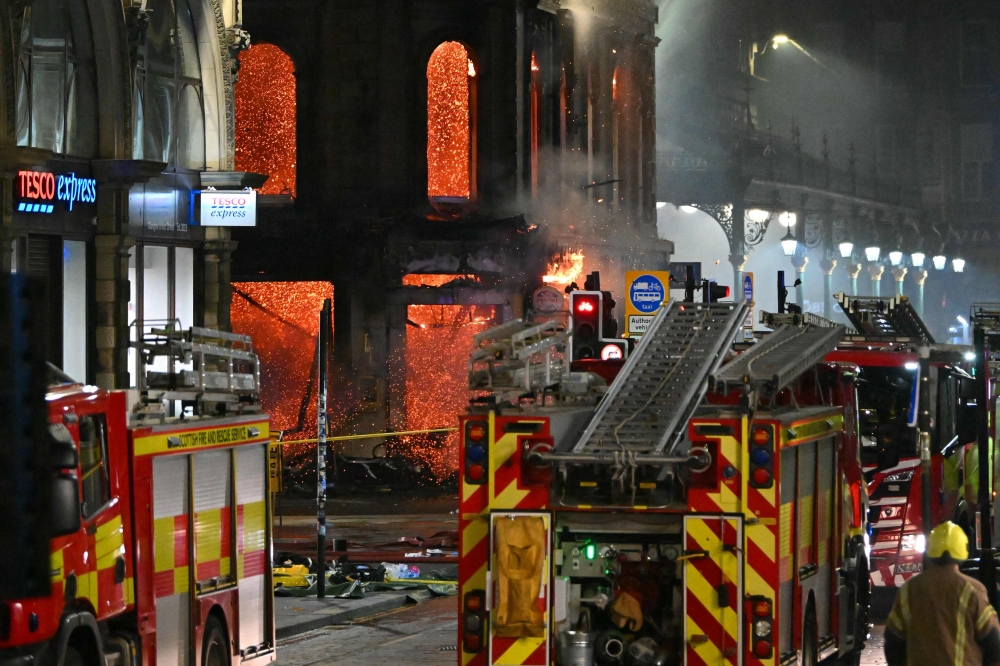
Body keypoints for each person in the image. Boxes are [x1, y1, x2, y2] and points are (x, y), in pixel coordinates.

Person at [885, 521, 1000, 666]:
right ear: (962, 551)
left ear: (930, 551)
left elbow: (893, 641)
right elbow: (993, 643)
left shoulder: (909, 589)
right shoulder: (972, 589)